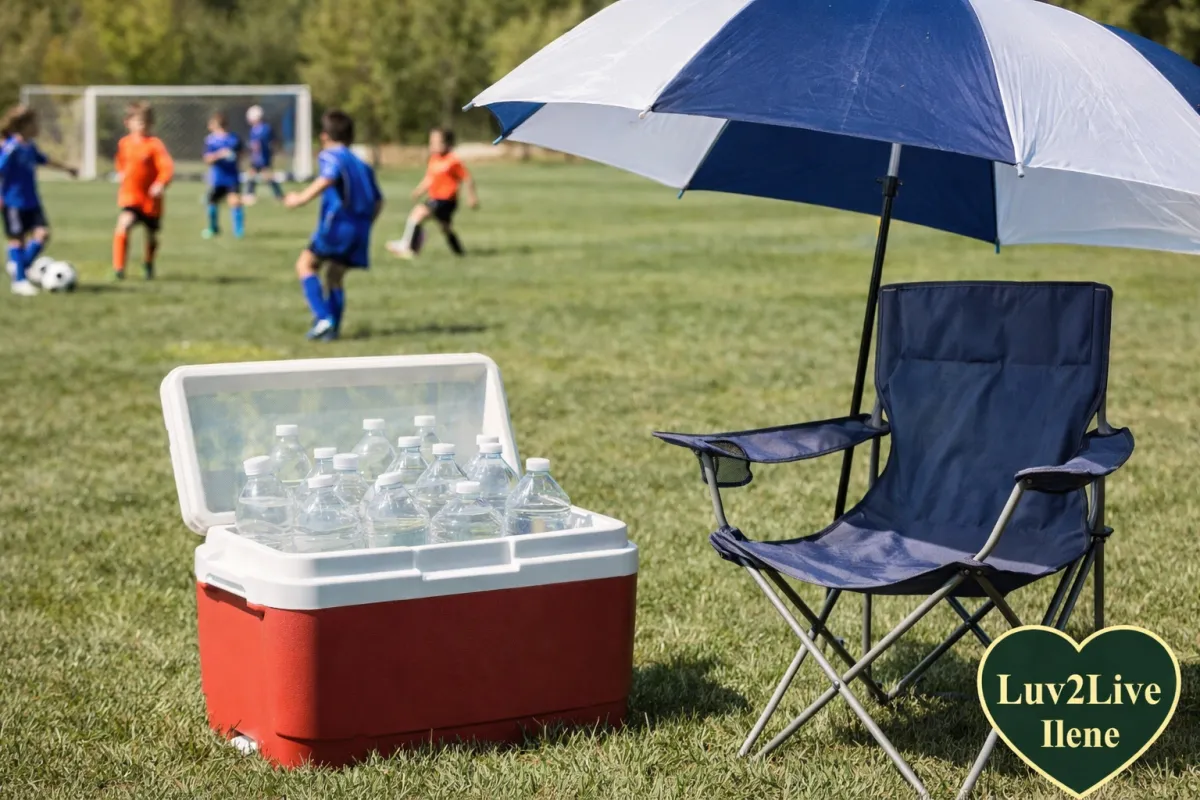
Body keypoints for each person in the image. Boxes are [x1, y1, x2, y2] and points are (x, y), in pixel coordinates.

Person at [284, 109, 383, 341]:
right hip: (361, 228)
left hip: (338, 224)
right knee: (335, 276)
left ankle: (323, 318)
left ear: (325, 136)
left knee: (305, 265)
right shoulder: (362, 164)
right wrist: (366, 225)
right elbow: (379, 201)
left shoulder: (331, 155)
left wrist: (300, 198)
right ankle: (333, 330)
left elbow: (328, 176)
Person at [0, 104, 77, 296]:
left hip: (32, 201)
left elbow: (45, 160)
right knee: (17, 240)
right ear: (23, 125)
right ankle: (19, 281)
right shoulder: (12, 148)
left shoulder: (29, 147)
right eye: (35, 123)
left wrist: (67, 168)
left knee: (42, 234)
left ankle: (19, 265)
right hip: (12, 203)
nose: (38, 127)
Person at [387, 127, 477, 259]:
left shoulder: (453, 160)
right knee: (445, 228)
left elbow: (467, 178)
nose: (432, 145)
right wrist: (419, 190)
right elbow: (429, 178)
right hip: (436, 198)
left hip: (446, 200)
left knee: (418, 214)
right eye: (431, 142)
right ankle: (460, 253)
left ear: (447, 144)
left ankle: (408, 247)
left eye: (436, 142)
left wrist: (472, 197)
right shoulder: (434, 159)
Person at [112, 103, 174, 280]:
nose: (142, 125)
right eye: (139, 121)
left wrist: (161, 183)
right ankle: (119, 268)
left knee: (151, 235)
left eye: (146, 122)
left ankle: (148, 263)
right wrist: (121, 173)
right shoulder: (124, 143)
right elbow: (121, 161)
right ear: (128, 122)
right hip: (131, 197)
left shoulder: (154, 145)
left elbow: (166, 166)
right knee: (124, 225)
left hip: (151, 200)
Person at [202, 112, 244, 239]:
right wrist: (220, 155)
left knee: (235, 202)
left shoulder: (234, 139)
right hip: (217, 178)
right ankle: (213, 228)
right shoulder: (211, 140)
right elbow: (207, 159)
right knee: (212, 202)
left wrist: (233, 157)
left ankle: (238, 232)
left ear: (215, 124)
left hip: (231, 177)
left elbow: (242, 154)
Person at [243, 105, 283, 204]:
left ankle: (278, 194)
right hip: (257, 156)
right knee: (253, 174)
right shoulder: (255, 128)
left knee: (267, 175)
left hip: (263, 156)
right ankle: (250, 194)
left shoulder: (264, 128)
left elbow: (264, 143)